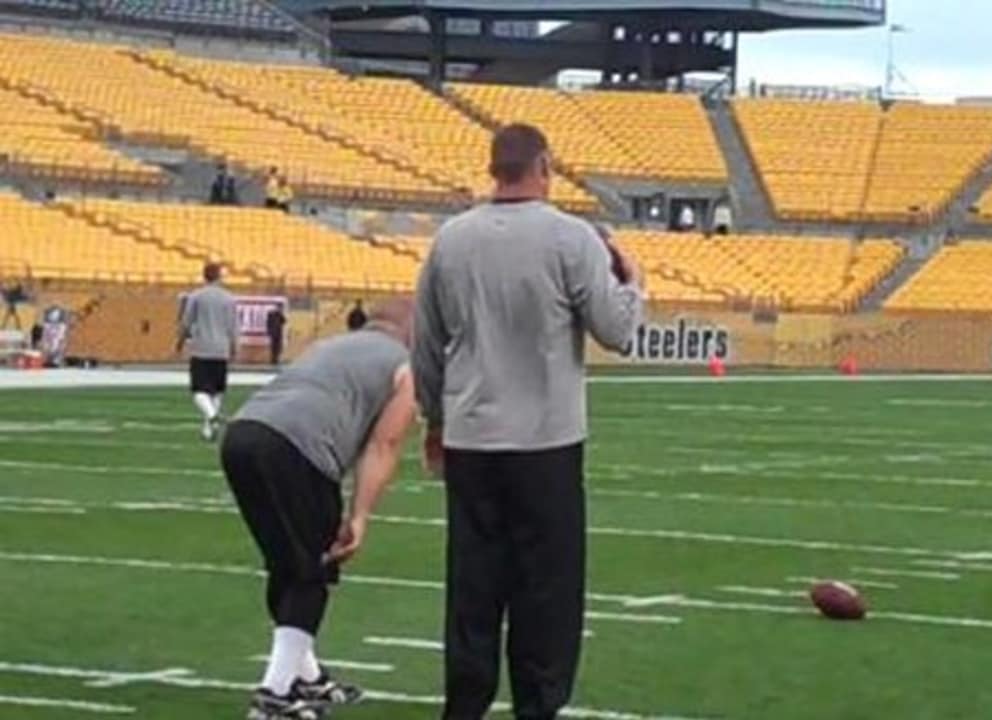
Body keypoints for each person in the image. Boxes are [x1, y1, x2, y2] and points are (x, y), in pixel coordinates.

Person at [413, 123, 645, 720]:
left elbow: (427, 345)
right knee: (547, 592)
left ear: (494, 168)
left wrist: (435, 421)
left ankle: (464, 706)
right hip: (546, 442)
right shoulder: (572, 238)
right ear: (545, 166)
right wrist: (634, 283)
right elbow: (615, 332)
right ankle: (537, 707)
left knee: (473, 588)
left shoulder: (450, 240)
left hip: (471, 437)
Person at [221, 298, 417, 720]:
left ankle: (307, 677)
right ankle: (273, 695)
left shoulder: (331, 345)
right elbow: (384, 446)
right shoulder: (404, 365)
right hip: (297, 448)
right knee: (312, 571)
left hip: (242, 434)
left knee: (287, 565)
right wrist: (359, 516)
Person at [178, 263, 239, 442]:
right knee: (217, 391)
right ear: (219, 277)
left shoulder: (196, 296)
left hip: (201, 348)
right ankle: (209, 428)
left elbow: (186, 323)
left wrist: (180, 342)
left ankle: (212, 417)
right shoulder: (229, 299)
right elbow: (233, 326)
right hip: (221, 349)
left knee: (199, 390)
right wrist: (235, 347)